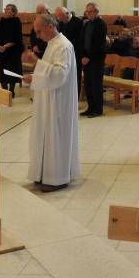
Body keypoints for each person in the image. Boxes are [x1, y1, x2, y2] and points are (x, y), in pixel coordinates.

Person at [21, 14, 80, 192]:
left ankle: (57, 178)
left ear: (49, 27)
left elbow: (60, 74)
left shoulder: (64, 46)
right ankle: (44, 174)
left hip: (58, 101)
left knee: (56, 136)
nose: (38, 36)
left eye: (39, 31)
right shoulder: (52, 44)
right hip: (48, 100)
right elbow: (48, 71)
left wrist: (36, 62)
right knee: (44, 136)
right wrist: (35, 76)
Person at [81, 2, 107, 117]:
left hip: (96, 59)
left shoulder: (101, 24)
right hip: (86, 59)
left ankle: (98, 109)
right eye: (87, 11)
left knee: (96, 85)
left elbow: (98, 44)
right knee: (88, 84)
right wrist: (83, 56)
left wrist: (89, 57)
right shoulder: (87, 24)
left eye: (90, 11)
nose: (88, 13)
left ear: (96, 12)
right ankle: (90, 107)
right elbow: (83, 41)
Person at [0, 3, 24, 97]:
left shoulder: (16, 21)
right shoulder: (0, 22)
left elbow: (17, 38)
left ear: (14, 12)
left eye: (8, 9)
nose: (6, 10)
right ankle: (4, 90)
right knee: (1, 70)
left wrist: (5, 46)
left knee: (11, 69)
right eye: (5, 9)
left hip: (12, 50)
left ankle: (11, 90)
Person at [55, 6, 83, 95]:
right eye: (57, 17)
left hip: (75, 54)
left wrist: (65, 45)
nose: (58, 19)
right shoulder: (61, 23)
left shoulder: (78, 22)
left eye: (60, 16)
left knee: (75, 77)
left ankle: (75, 98)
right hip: (63, 54)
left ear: (67, 14)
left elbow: (79, 40)